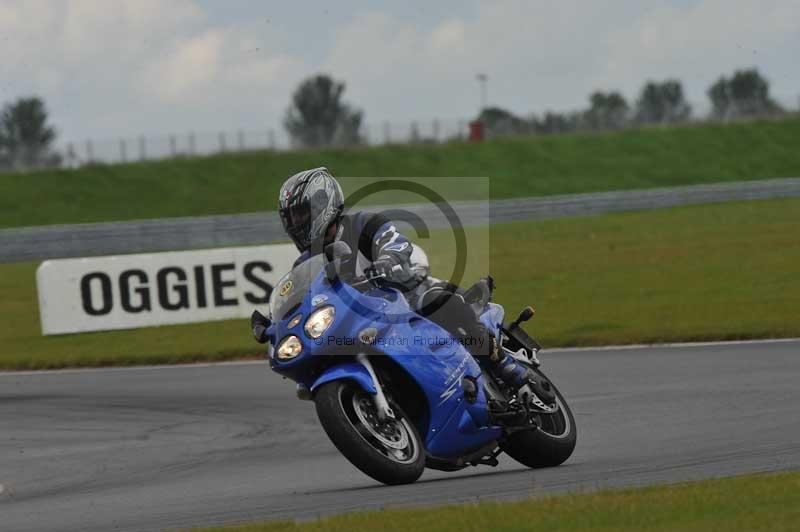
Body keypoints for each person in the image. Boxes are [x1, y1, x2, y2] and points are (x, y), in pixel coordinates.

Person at [277, 167, 535, 392]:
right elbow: (302, 299)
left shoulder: (362, 224)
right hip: (362, 321)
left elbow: (395, 242)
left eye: (300, 214)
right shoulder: (305, 264)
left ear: (323, 204)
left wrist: (387, 260)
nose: (296, 223)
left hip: (408, 295)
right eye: (290, 218)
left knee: (438, 302)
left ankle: (501, 364)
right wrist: (276, 323)